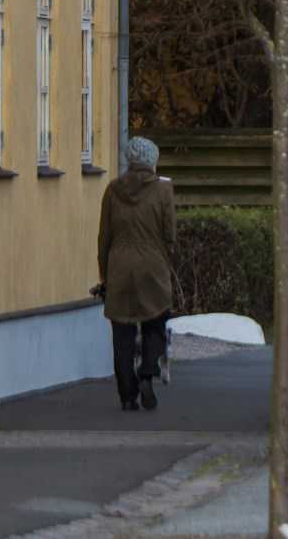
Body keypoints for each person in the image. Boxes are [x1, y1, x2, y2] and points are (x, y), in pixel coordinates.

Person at [97, 136, 176, 411]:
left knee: (122, 332)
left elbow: (104, 237)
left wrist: (105, 275)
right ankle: (148, 371)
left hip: (119, 266)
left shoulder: (112, 190)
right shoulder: (164, 191)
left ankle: (127, 396)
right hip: (153, 266)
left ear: (130, 161)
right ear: (153, 161)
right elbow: (170, 234)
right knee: (156, 320)